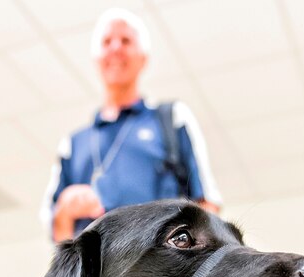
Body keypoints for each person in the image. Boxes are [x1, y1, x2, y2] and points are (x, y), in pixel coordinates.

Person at [40, 7, 222, 242]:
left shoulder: (171, 119)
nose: (115, 48)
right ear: (97, 59)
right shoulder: (73, 145)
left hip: (162, 272)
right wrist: (65, 210)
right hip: (98, 275)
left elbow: (208, 205)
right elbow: (59, 238)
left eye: (126, 41)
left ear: (143, 58)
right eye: (107, 42)